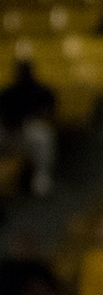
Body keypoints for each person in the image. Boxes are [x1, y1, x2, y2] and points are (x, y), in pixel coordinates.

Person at [0, 60, 57, 196]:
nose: (22, 74)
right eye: (20, 71)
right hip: (9, 129)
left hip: (31, 128)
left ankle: (41, 179)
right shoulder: (9, 92)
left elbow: (49, 112)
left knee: (43, 137)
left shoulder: (41, 91)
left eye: (25, 71)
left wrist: (29, 119)